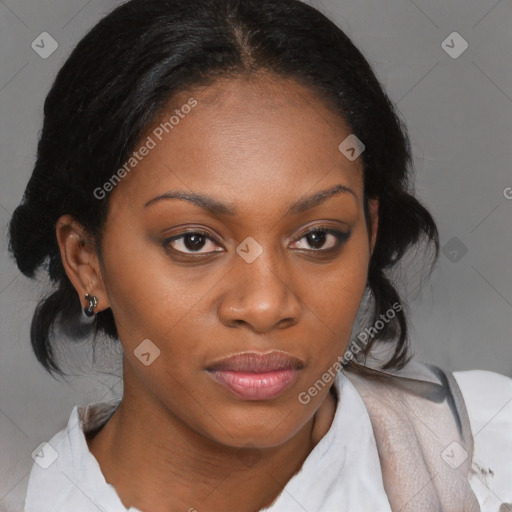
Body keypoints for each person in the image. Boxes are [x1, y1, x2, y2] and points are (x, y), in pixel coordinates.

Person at [7, 0, 512, 511]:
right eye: (194, 241)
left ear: (370, 232)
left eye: (317, 238)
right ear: (87, 262)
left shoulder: (490, 452)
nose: (266, 304)